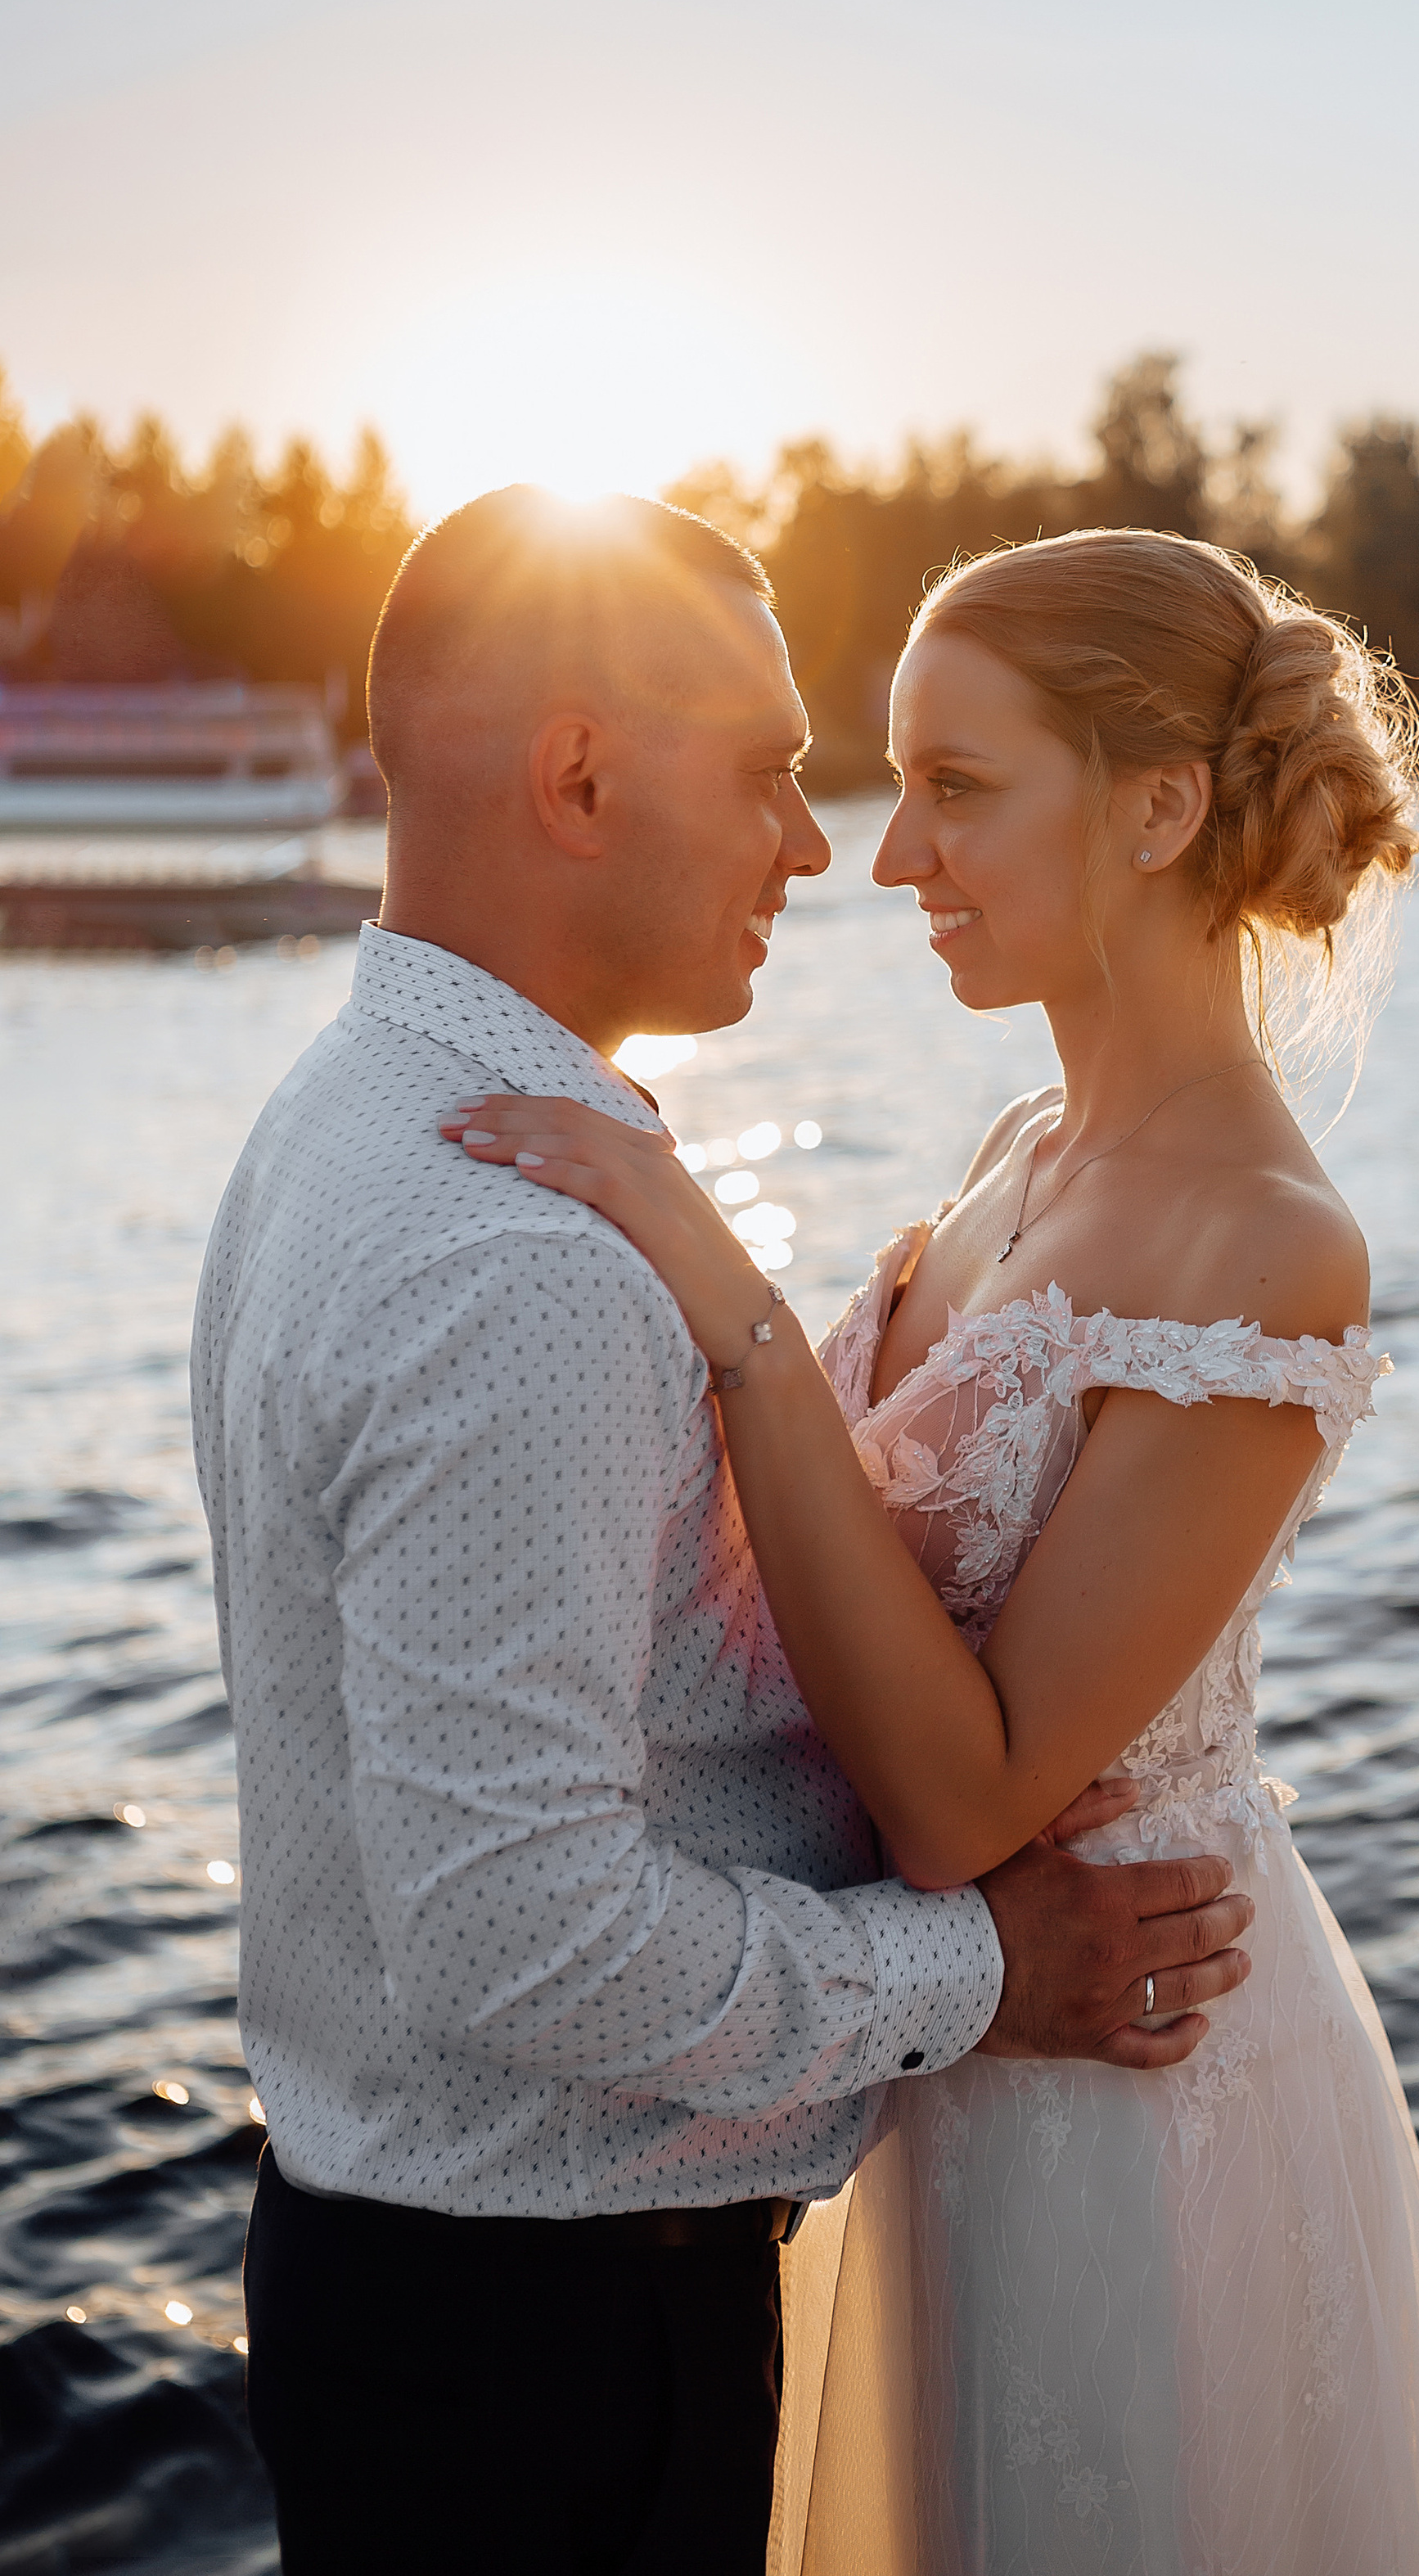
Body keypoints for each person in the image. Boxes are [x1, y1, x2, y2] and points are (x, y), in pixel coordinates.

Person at [446, 527, 1419, 2575]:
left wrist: (729, 1300)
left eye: (956, 786)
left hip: (1136, 2100)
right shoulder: (1011, 1160)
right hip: (944, 2057)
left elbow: (965, 1796)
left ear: (1155, 806)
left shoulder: (1267, 1251)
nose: (888, 856)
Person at [191, 489, 1255, 2576]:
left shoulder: (340, 1120)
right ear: (577, 773)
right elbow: (521, 1931)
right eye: (769, 768)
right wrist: (976, 1965)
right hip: (552, 2354)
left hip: (408, 2289)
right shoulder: (527, 1259)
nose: (811, 843)